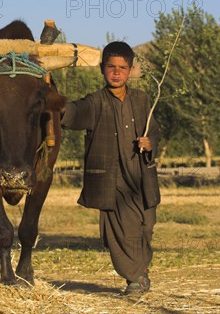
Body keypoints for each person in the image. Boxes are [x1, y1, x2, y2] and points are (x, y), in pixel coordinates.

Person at [60, 41, 160, 295]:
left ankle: (141, 271)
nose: (116, 72)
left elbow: (155, 131)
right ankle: (135, 279)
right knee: (121, 232)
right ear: (102, 69)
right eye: (110, 67)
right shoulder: (95, 102)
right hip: (111, 181)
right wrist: (51, 98)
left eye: (122, 68)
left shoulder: (142, 99)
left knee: (145, 227)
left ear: (131, 70)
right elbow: (71, 113)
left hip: (141, 178)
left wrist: (150, 143)